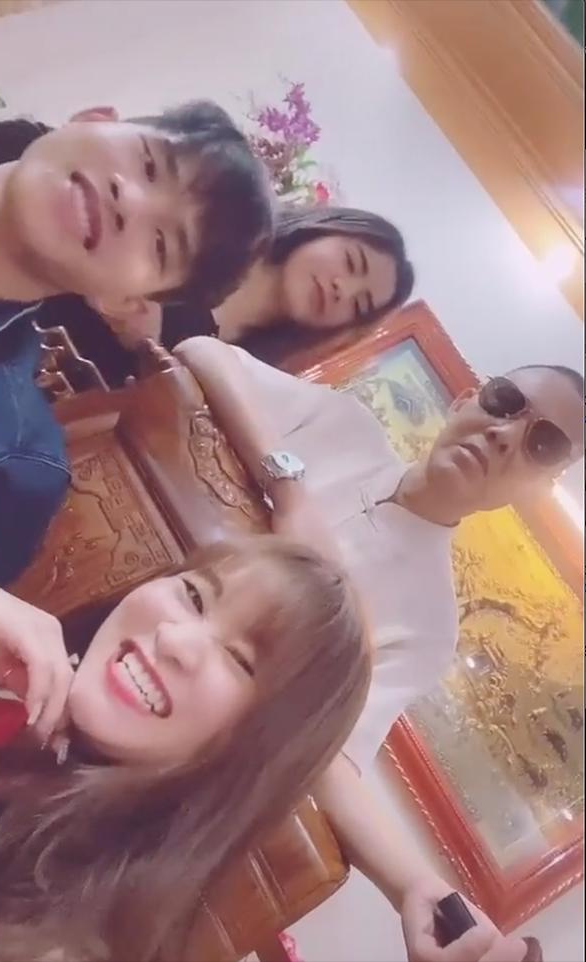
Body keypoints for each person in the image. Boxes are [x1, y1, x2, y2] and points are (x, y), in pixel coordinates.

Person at [173, 337, 582, 961]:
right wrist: (290, 490)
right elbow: (203, 351)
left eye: (542, 443)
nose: (504, 434)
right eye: (505, 402)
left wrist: (412, 886)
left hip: (166, 727)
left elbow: (328, 756)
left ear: (539, 487)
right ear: (466, 401)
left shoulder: (429, 625)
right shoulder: (345, 425)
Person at [0, 536, 372, 961]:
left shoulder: (64, 937)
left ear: (254, 754)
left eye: (239, 659)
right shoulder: (15, 696)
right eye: (194, 596)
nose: (175, 640)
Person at [0, 103, 274, 587]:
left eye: (161, 245)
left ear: (124, 301)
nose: (130, 202)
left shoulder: (15, 466)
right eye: (150, 164)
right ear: (93, 118)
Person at [0, 120, 414, 386]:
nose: (342, 288)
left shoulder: (253, 375)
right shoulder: (208, 217)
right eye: (352, 263)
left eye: (358, 304)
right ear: (325, 227)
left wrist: (147, 351)